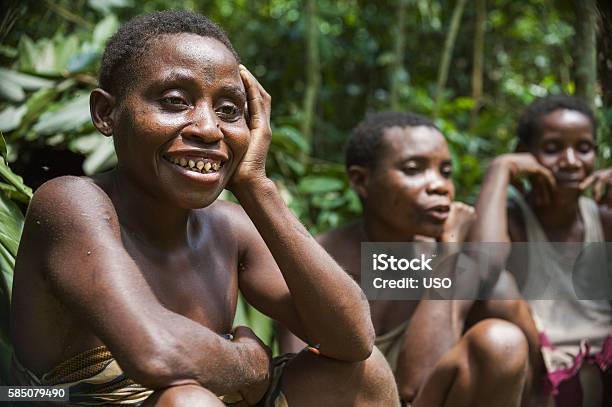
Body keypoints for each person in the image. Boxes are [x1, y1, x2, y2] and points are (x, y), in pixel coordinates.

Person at [8, 11, 399, 406]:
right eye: (175, 101)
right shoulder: (71, 203)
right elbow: (156, 353)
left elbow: (354, 340)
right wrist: (248, 363)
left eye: (230, 110)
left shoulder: (231, 227)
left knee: (365, 374)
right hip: (53, 400)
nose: (209, 129)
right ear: (106, 114)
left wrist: (256, 186)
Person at [279, 111, 539, 407]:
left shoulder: (444, 257)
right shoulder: (311, 261)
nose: (439, 185)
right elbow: (296, 388)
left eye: (445, 172)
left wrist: (449, 254)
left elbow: (416, 387)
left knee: (502, 333)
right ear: (361, 181)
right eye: (414, 169)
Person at [470, 94, 612, 406]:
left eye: (584, 148)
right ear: (526, 156)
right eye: (552, 149)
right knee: (497, 291)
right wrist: (500, 169)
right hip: (536, 376)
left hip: (602, 366)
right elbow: (482, 268)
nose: (571, 161)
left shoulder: (602, 219)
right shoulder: (512, 220)